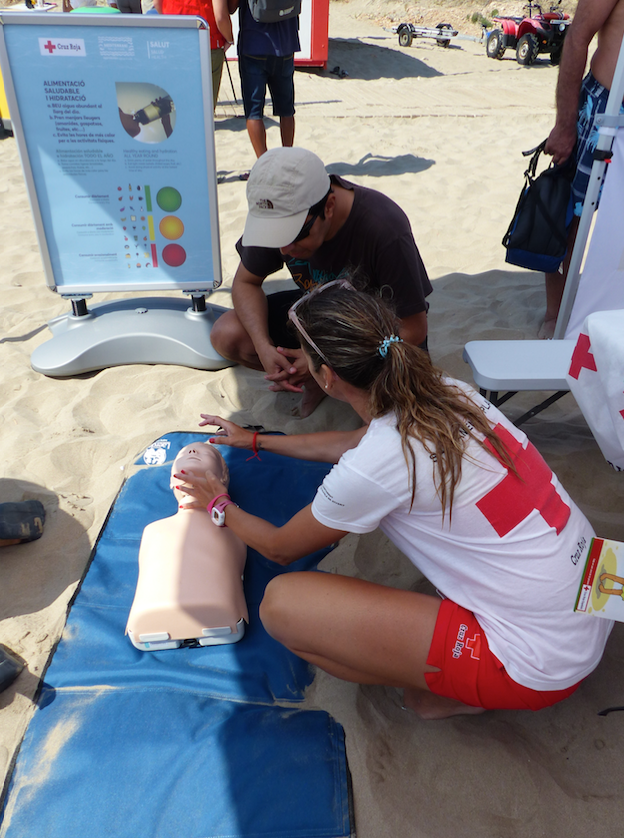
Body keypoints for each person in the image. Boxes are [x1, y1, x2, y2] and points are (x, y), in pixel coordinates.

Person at [177, 280, 612, 719]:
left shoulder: (378, 461)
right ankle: (459, 674)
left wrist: (219, 502)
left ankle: (462, 693)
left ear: (326, 377)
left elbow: (279, 546)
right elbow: (357, 441)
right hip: (598, 595)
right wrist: (256, 441)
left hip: (541, 665)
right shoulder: (447, 391)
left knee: (282, 605)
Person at [210, 146, 432, 416]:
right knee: (227, 334)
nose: (283, 249)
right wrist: (263, 346)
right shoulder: (279, 212)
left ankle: (328, 381)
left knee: (389, 419)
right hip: (319, 316)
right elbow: (245, 283)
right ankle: (318, 382)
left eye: (293, 234)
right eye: (275, 235)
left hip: (378, 331)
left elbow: (413, 329)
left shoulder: (384, 227)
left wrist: (324, 361)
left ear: (328, 207)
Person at [541, 0, 624, 338]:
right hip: (605, 105)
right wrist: (564, 125)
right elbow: (578, 37)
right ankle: (555, 315)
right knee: (573, 215)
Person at [127, 442, 248, 648]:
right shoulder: (153, 530)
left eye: (204, 452)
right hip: (157, 622)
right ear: (172, 482)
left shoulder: (235, 528)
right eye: (183, 453)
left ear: (223, 477)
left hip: (152, 625)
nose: (191, 451)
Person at [231, 0, 299, 158]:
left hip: (254, 44)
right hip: (286, 43)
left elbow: (231, 8)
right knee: (287, 110)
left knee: (254, 112)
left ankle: (264, 165)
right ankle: (286, 161)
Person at [155, 0, 234, 111]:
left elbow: (157, 3)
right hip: (207, 42)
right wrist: (229, 38)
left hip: (174, 40)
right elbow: (220, 16)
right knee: (204, 111)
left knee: (177, 104)